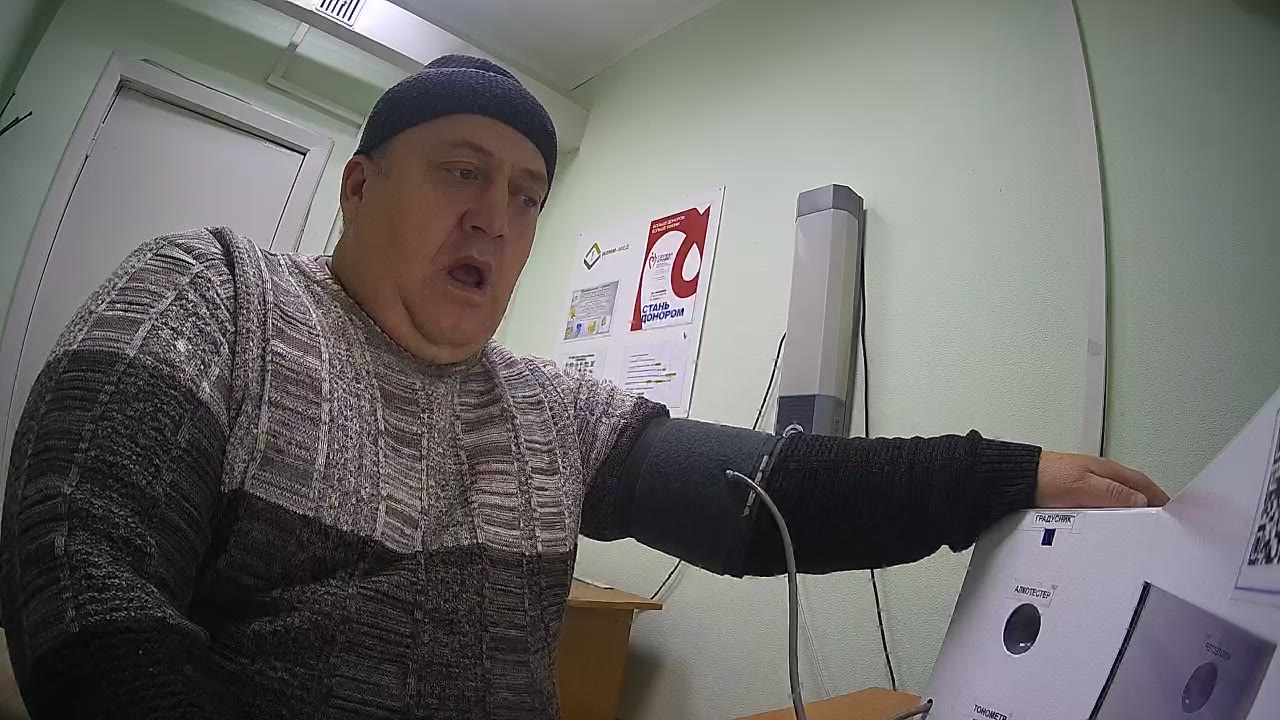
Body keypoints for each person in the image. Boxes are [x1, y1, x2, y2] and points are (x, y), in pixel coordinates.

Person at [0, 55, 1167, 719]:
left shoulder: (549, 409)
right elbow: (80, 568)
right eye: (461, 173)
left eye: (524, 196)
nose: (494, 220)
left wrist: (1008, 474)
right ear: (357, 187)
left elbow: (764, 496)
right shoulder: (213, 291)